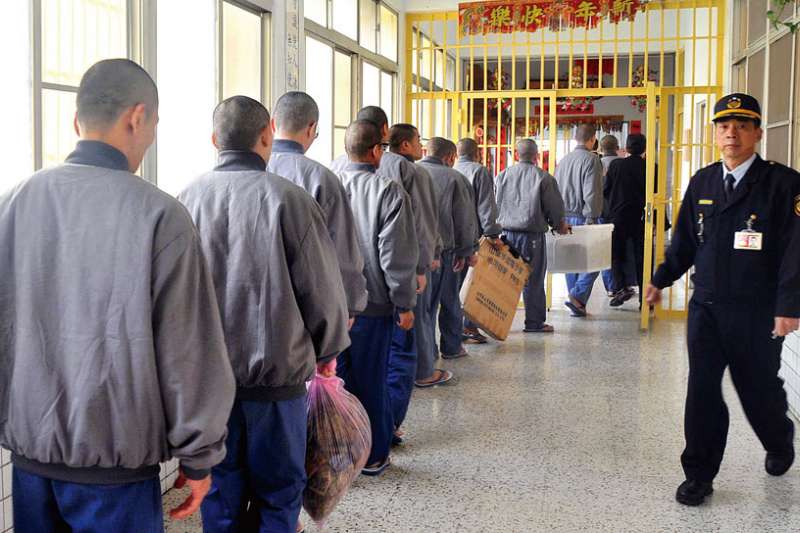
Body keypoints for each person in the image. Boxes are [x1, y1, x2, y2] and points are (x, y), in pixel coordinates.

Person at [0, 59, 236, 532]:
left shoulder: (14, 203)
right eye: (154, 124)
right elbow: (187, 350)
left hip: (29, 464)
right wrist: (199, 457)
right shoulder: (160, 216)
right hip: (116, 476)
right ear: (137, 117)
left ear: (77, 122)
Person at [179, 96, 351, 530]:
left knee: (220, 493)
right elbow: (322, 289)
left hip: (207, 388)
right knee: (278, 491)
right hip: (277, 385)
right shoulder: (291, 201)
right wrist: (328, 351)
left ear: (214, 139)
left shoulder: (183, 202)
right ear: (266, 137)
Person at [645, 93, 800, 506]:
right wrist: (661, 279)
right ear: (715, 134)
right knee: (702, 391)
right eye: (724, 126)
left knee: (757, 389)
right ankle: (698, 474)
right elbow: (685, 241)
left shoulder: (784, 184)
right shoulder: (704, 182)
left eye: (742, 126)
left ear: (757, 134)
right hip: (707, 308)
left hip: (757, 311)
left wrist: (788, 306)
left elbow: (795, 251)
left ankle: (778, 438)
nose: (732, 133)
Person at [336, 119, 418, 476]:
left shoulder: (327, 185)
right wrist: (404, 303)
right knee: (372, 380)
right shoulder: (388, 192)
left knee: (338, 382)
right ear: (375, 152)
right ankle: (373, 454)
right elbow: (394, 256)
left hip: (332, 306)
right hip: (373, 303)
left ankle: (340, 453)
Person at [268, 91, 368, 319]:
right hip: (306, 304)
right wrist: (350, 305)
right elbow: (342, 251)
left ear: (273, 125)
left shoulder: (253, 172)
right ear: (311, 128)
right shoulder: (321, 178)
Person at [384, 123, 443, 440]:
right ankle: (424, 372)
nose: (422, 145)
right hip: (406, 261)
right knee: (415, 320)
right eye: (419, 140)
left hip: (369, 270)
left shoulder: (354, 167)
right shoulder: (413, 172)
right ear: (405, 145)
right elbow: (422, 220)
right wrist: (425, 261)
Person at [417, 138, 479, 374]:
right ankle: (452, 346)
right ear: (451, 157)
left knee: (424, 307)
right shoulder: (455, 178)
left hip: (416, 251)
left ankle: (428, 351)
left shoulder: (412, 172)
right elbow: (464, 219)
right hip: (445, 251)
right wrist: (467, 251)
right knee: (449, 299)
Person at [496, 139, 570, 333]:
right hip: (532, 238)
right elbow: (554, 208)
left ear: (515, 154)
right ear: (537, 156)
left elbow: (495, 204)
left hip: (506, 235)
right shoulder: (544, 178)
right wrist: (559, 225)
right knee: (533, 279)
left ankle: (494, 320)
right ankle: (534, 322)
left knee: (503, 277)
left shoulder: (502, 175)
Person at [454, 138, 502, 344]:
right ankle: (469, 326)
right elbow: (485, 205)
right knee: (473, 283)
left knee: (454, 286)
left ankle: (455, 330)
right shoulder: (479, 171)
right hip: (473, 235)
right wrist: (492, 233)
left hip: (450, 237)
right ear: (477, 153)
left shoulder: (451, 169)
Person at [555, 123, 604, 317]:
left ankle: (577, 303)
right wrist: (592, 218)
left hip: (563, 217)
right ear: (592, 139)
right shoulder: (592, 160)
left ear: (576, 138)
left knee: (571, 262)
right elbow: (592, 193)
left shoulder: (563, 160)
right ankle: (577, 296)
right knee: (597, 260)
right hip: (583, 217)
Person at [605, 134, 652, 307]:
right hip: (642, 216)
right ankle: (645, 299)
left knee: (615, 254)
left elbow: (606, 190)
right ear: (644, 148)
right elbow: (655, 194)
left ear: (626, 147)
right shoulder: (650, 167)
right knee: (643, 257)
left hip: (619, 216)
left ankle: (621, 287)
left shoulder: (616, 165)